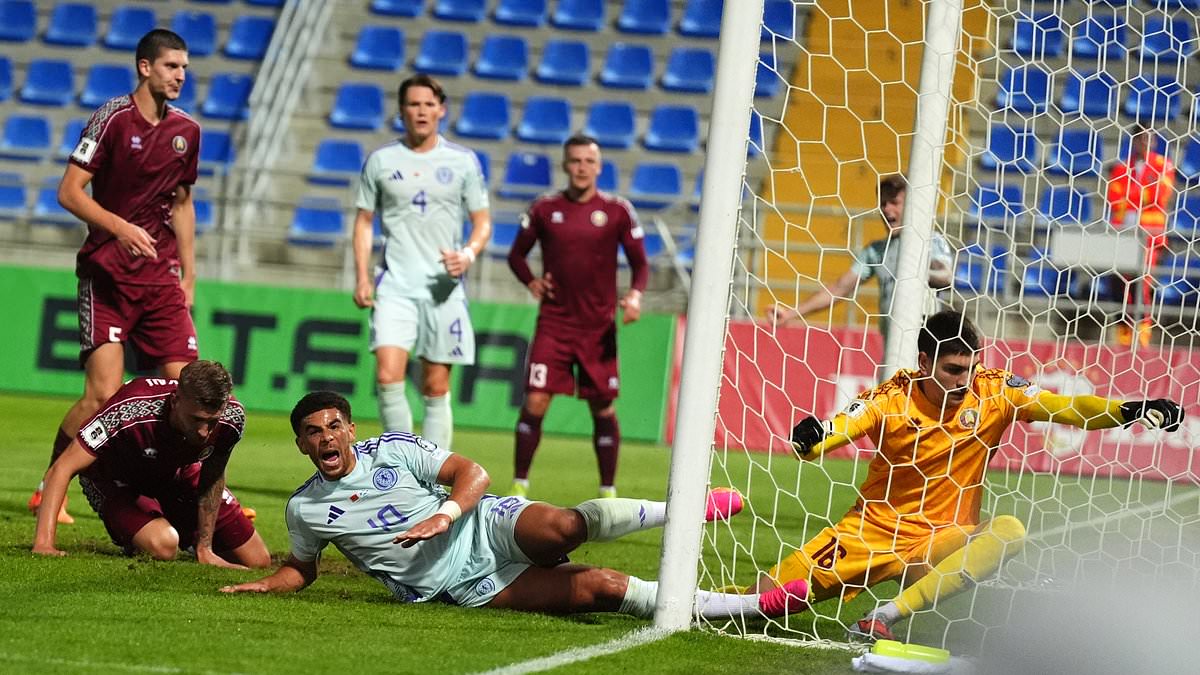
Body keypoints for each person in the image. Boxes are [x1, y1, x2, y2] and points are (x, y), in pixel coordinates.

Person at [753, 310, 1183, 643]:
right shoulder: (892, 396)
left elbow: (1064, 407)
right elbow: (839, 428)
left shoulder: (996, 390)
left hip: (939, 544)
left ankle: (883, 616)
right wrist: (813, 439)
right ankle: (718, 600)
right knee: (764, 601)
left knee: (1008, 531)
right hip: (873, 533)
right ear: (924, 362)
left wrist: (1127, 410)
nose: (965, 380)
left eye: (971, 367)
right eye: (954, 370)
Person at [219, 391, 810, 622]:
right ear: (301, 445)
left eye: (334, 426)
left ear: (351, 429)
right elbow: (303, 568)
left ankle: (681, 511)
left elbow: (472, 473)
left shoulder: (393, 449)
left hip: (482, 526)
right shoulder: (305, 509)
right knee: (602, 588)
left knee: (566, 526)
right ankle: (752, 607)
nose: (326, 439)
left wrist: (445, 515)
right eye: (313, 433)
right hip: (464, 585)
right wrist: (265, 584)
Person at [28, 29, 202, 524]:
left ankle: (198, 498)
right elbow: (69, 192)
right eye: (171, 66)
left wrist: (190, 274)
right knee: (102, 395)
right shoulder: (111, 119)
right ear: (145, 67)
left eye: (184, 67)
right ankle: (51, 488)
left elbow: (183, 203)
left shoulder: (187, 131)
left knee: (192, 392)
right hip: (107, 276)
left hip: (161, 279)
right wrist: (120, 227)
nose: (180, 76)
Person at [352, 74, 491, 451]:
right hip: (394, 284)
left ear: (441, 110)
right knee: (387, 376)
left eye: (429, 104)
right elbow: (364, 220)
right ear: (401, 111)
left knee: (435, 385)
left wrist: (468, 254)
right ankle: (403, 463)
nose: (421, 111)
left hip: (442, 289)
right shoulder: (381, 161)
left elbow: (482, 221)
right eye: (413, 104)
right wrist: (362, 276)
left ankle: (432, 471)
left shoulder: (462, 161)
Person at [505, 135, 648, 499]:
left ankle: (607, 490)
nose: (582, 167)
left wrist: (634, 296)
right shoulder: (544, 208)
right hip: (553, 325)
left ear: (599, 167)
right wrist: (531, 281)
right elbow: (516, 255)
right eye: (575, 161)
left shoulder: (617, 210)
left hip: (598, 330)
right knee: (536, 400)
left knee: (602, 407)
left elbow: (640, 264)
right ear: (565, 165)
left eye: (589, 161)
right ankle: (519, 485)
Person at [33, 361, 271, 568]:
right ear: (175, 400)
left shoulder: (231, 418)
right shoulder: (130, 407)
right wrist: (44, 544)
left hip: (177, 473)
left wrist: (205, 547)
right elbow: (62, 468)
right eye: (196, 419)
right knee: (163, 545)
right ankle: (154, 530)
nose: (203, 432)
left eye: (212, 422)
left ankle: (189, 539)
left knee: (257, 560)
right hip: (115, 478)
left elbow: (213, 476)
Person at [767, 175, 953, 354]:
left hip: (927, 350)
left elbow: (945, 276)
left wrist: (921, 274)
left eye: (894, 202)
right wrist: (791, 314)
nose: (887, 209)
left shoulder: (929, 241)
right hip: (892, 350)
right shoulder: (876, 251)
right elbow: (839, 288)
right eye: (883, 203)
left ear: (912, 206)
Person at [1105, 126, 1176, 347]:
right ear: (1134, 141)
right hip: (1123, 234)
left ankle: (1143, 334)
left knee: (1141, 283)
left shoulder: (1163, 165)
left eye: (1149, 138)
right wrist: (1142, 194)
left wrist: (1131, 196)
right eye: (1141, 138)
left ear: (1154, 141)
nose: (1145, 142)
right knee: (1119, 283)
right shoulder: (1121, 167)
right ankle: (1124, 335)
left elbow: (1160, 195)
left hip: (1150, 236)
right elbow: (1114, 198)